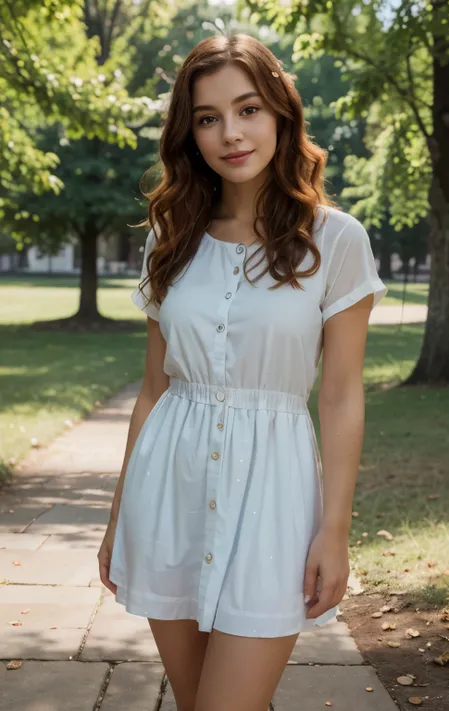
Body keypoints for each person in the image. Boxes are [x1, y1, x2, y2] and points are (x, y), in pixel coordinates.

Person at [97, 32, 387, 711]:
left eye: (248, 108)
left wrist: (334, 529)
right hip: (166, 491)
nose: (231, 132)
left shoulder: (336, 240)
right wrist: (118, 518)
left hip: (274, 499)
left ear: (281, 114)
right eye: (207, 117)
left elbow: (342, 395)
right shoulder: (169, 239)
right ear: (188, 132)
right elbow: (153, 388)